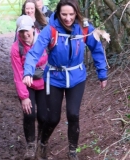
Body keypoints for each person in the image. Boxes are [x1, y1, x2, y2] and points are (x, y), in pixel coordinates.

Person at [22, 0, 108, 159]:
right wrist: (28, 72)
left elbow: (96, 49)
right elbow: (34, 53)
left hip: (77, 77)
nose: (68, 18)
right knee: (53, 118)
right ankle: (43, 143)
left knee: (73, 114)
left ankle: (72, 152)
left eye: (71, 14)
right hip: (54, 77)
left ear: (76, 13)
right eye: (64, 14)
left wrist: (102, 73)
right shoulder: (51, 30)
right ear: (58, 13)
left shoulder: (85, 28)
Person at [10, 15, 48, 160]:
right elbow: (18, 74)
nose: (25, 35)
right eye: (21, 32)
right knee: (29, 114)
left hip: (44, 83)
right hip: (27, 84)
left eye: (27, 31)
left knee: (44, 116)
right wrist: (24, 97)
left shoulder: (44, 41)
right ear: (18, 32)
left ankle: (42, 143)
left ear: (34, 29)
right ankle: (31, 145)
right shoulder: (16, 48)